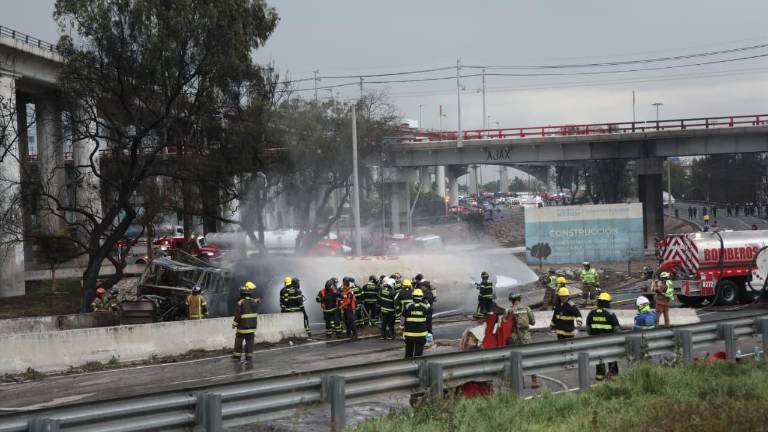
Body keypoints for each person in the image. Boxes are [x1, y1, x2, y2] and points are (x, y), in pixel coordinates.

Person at [586, 292, 621, 380]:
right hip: (610, 340)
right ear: (608, 303)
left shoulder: (592, 313)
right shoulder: (610, 313)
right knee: (611, 356)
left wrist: (593, 335)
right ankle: (613, 374)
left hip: (596, 340)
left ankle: (600, 374)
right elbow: (616, 328)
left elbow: (588, 329)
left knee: (599, 356)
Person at [232, 282, 261, 362]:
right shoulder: (254, 302)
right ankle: (249, 357)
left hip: (242, 326)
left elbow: (238, 314)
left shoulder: (241, 302)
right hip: (252, 327)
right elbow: (255, 302)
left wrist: (234, 324)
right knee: (250, 341)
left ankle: (237, 356)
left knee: (238, 340)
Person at [402, 288, 430, 358]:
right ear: (422, 297)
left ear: (412, 296)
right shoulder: (425, 307)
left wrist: (402, 328)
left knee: (408, 354)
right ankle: (417, 367)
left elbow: (403, 317)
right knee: (418, 355)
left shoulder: (407, 306)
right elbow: (429, 310)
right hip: (421, 334)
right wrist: (426, 301)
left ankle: (409, 367)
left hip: (409, 334)